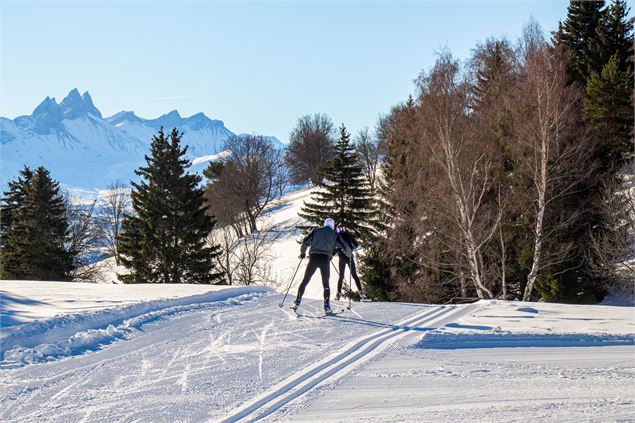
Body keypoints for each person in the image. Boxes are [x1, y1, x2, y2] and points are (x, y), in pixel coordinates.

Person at [292, 217, 352, 314]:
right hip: (324, 260)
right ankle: (327, 307)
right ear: (332, 225)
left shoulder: (316, 231)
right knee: (326, 284)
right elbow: (344, 245)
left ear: (324, 224)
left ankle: (297, 302)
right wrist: (349, 254)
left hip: (313, 259)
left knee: (305, 280)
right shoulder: (334, 234)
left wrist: (303, 253)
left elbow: (305, 241)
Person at [335, 224, 367, 301]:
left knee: (341, 276)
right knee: (354, 275)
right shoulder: (348, 235)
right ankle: (361, 292)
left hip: (342, 258)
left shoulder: (337, 237)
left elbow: (334, 248)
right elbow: (356, 244)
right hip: (349, 258)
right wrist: (351, 248)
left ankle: (338, 293)